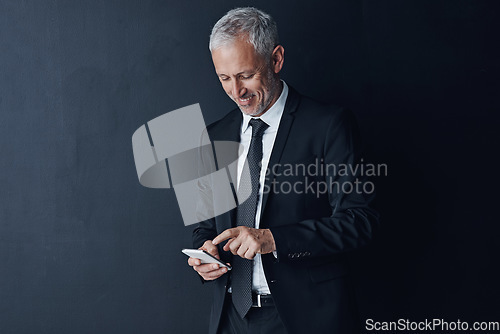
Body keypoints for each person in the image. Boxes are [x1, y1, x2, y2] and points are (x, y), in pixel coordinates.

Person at [187, 7, 378, 334]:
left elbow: (360, 220)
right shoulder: (213, 135)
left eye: (246, 75)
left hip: (305, 318)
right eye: (224, 78)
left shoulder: (329, 126)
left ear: (276, 60)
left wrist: (273, 239)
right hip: (230, 317)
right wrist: (206, 251)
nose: (236, 91)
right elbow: (205, 224)